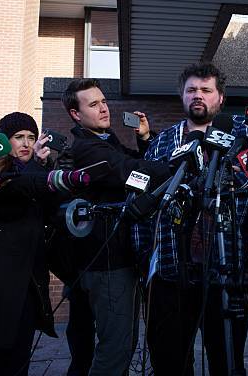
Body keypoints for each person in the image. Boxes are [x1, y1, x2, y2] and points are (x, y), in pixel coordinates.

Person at [133, 62, 248, 375]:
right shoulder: (161, 142)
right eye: (191, 90)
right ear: (182, 96)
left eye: (206, 90)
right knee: (169, 363)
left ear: (220, 97)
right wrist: (142, 262)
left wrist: (247, 271)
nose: (198, 95)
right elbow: (139, 201)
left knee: (227, 363)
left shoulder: (244, 139)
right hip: (168, 271)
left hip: (225, 273)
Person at [0, 112, 85, 376]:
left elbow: (50, 209)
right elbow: (13, 198)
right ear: (4, 141)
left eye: (31, 138)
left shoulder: (36, 170)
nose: (26, 144)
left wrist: (44, 169)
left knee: (18, 364)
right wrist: (38, 169)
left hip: (26, 289)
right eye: (18, 137)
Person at [63, 78, 170, 376]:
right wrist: (178, 167)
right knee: (116, 349)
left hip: (119, 257)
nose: (103, 108)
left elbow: (136, 161)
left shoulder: (106, 140)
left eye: (104, 101)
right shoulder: (87, 149)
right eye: (93, 104)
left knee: (122, 343)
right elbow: (132, 172)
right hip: (106, 261)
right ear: (75, 113)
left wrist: (146, 139)